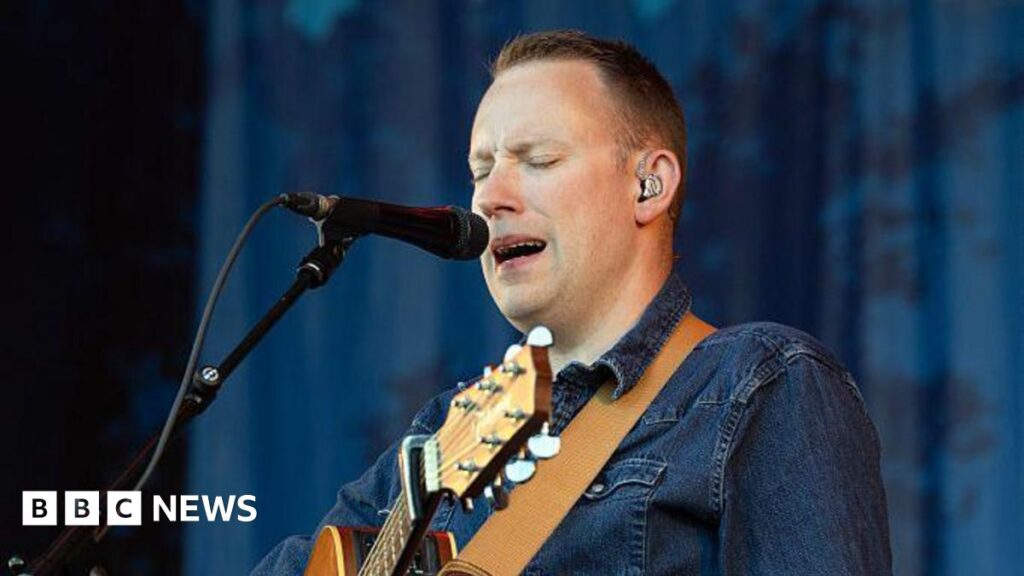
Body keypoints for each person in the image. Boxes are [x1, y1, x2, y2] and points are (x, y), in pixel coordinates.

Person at [253, 30, 892, 575]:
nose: (490, 197)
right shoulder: (442, 430)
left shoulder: (761, 384)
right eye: (480, 170)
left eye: (538, 159)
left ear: (649, 185)